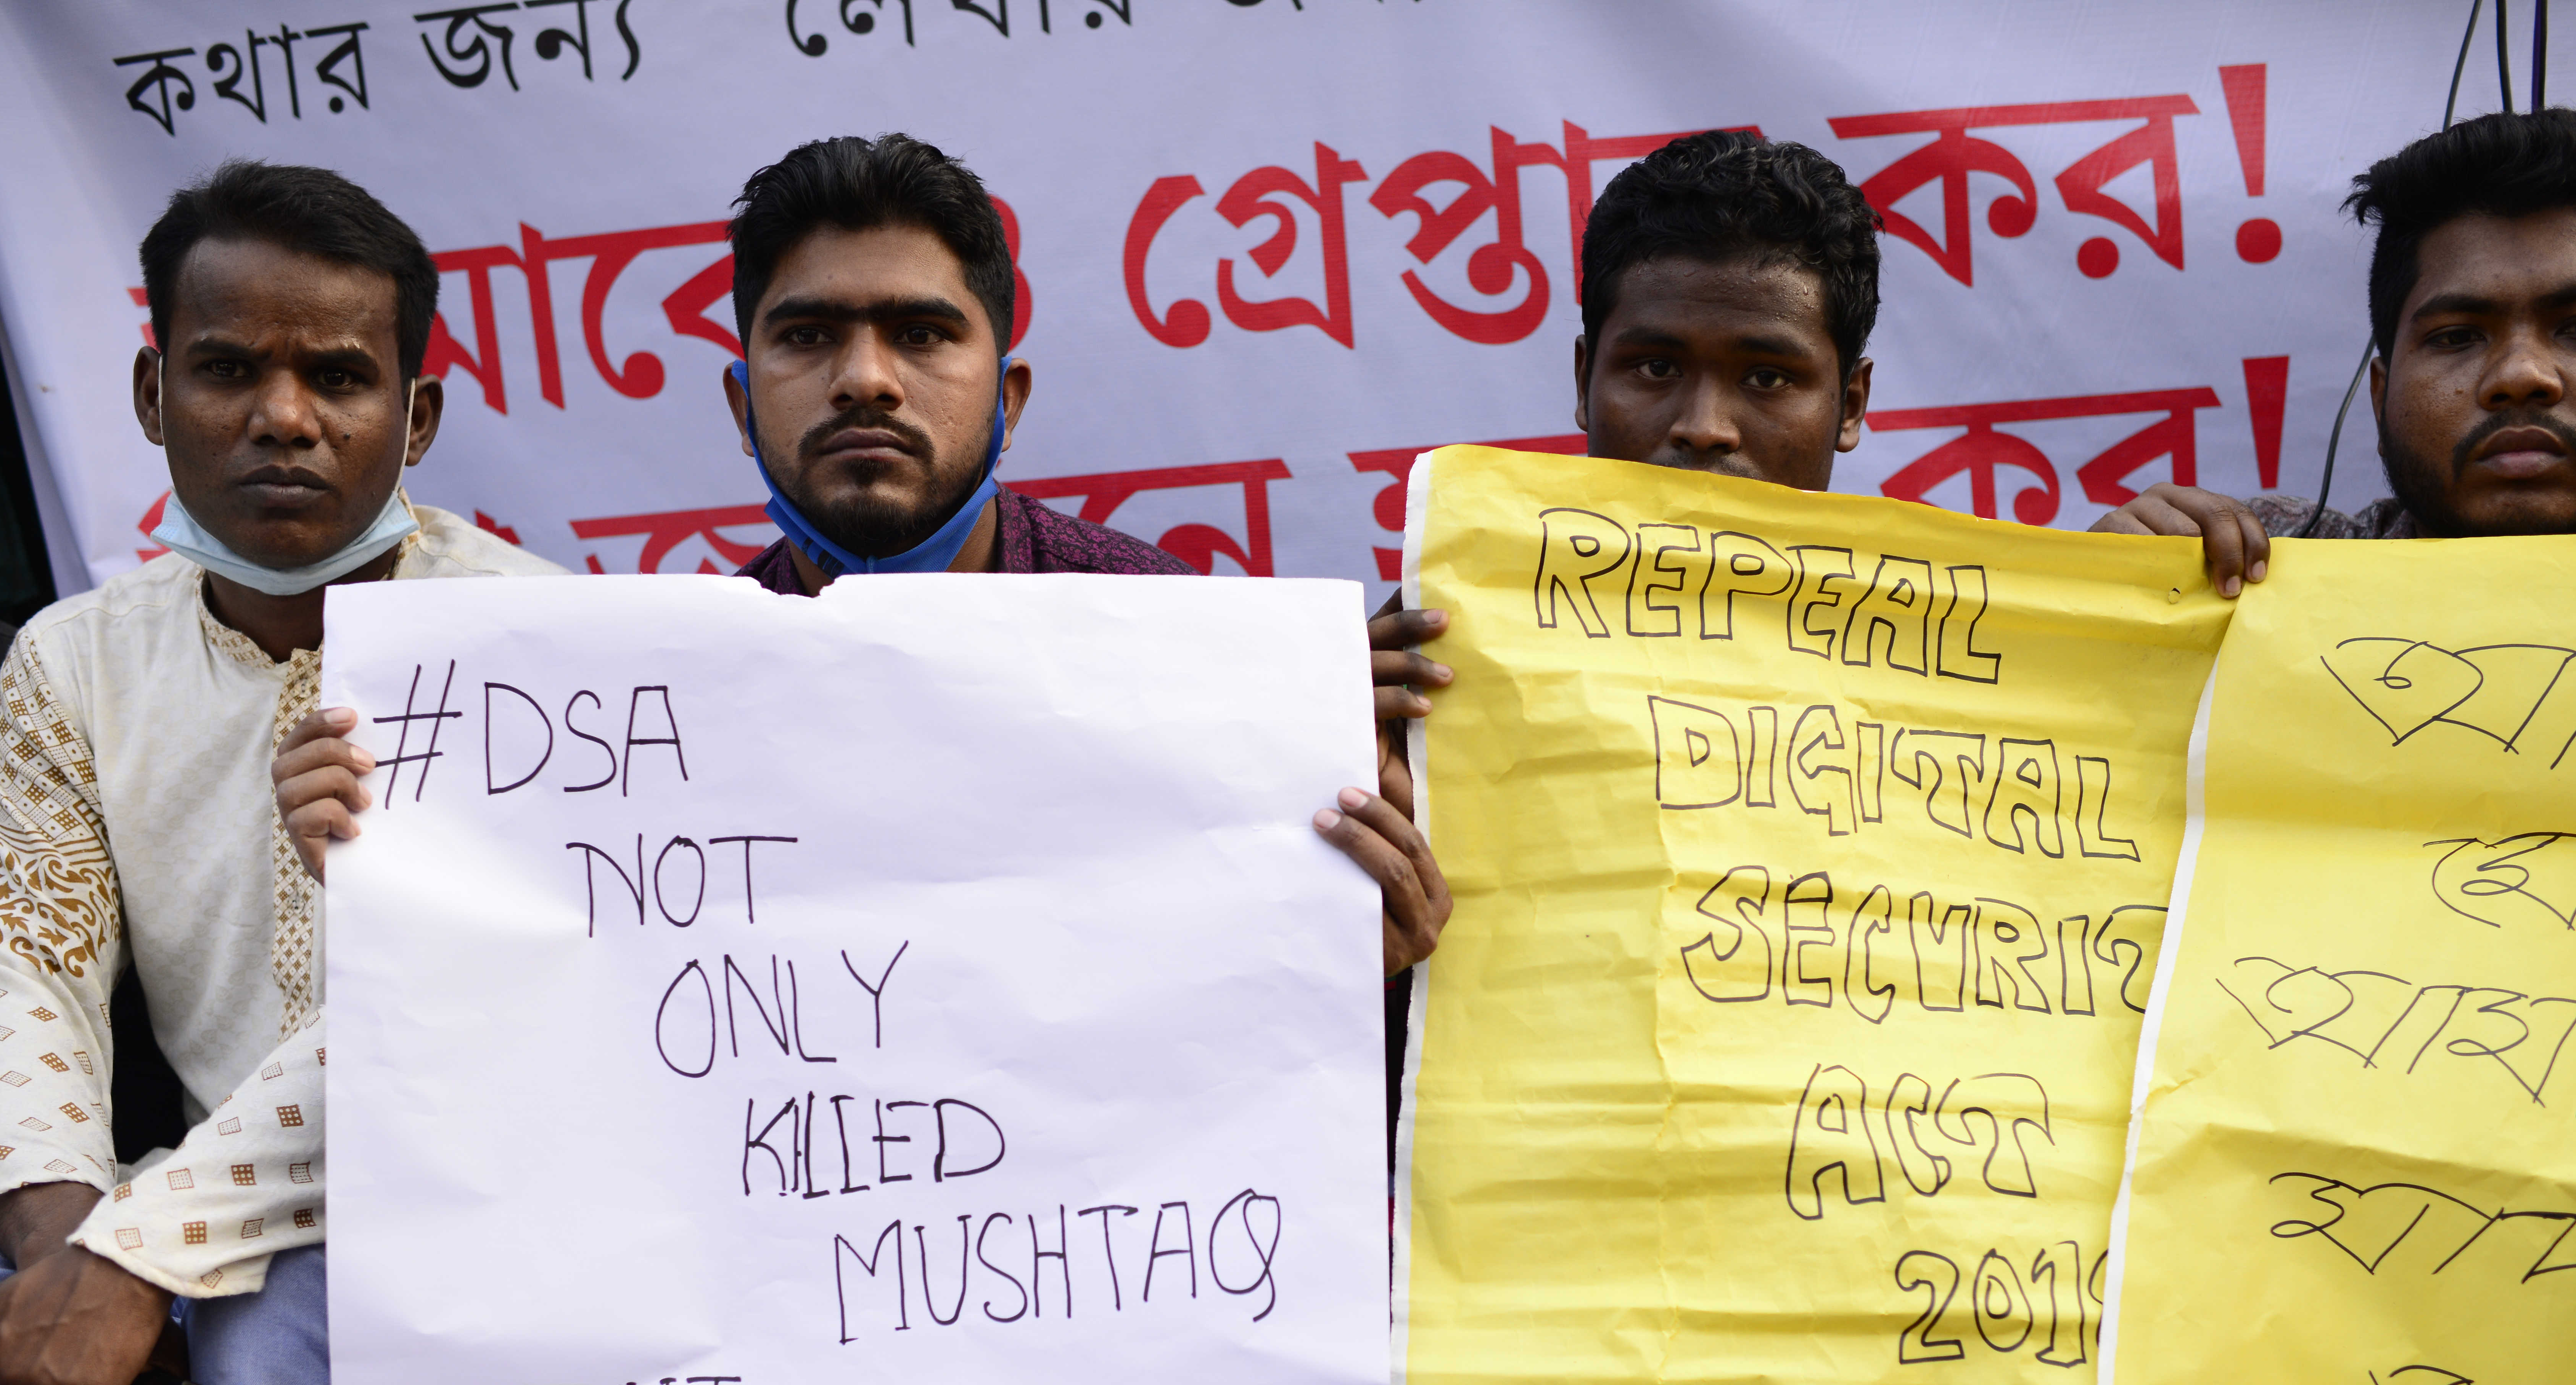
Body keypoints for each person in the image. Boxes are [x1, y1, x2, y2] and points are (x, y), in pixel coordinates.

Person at [0, 159, 559, 1385]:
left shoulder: (537, 649)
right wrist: (69, 1257)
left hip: (449, 1224)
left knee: (283, 1322)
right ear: (153, 394)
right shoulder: (72, 663)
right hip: (164, 1218)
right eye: (228, 369)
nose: (283, 417)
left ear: (416, 417)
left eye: (339, 377)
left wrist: (137, 1261)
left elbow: (432, 1030)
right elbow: (32, 978)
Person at [280, 133, 1452, 983]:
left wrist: (1375, 968)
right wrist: (403, 878)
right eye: (808, 336)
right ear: (743, 409)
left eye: (923, 333)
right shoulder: (650, 709)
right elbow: (572, 1010)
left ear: (1010, 398)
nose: (866, 378)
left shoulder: (1193, 646)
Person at [1370, 129, 1883, 718]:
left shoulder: (1948, 681)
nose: (1704, 428)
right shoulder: (1439, 664)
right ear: (1585, 381)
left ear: (1849, 405)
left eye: (1766, 378)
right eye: (1658, 368)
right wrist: (1337, 772)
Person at [2093, 108, 2576, 580]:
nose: (2519, 375)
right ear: (2381, 398)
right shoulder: (2244, 566)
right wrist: (2097, 609)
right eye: (2457, 337)